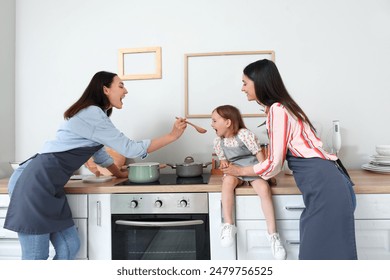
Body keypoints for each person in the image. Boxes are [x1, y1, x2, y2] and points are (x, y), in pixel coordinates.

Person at [4, 71, 187, 260]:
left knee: (70, 247)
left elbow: (100, 155)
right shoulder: (92, 113)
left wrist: (118, 174)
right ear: (105, 89)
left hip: (48, 184)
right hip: (35, 183)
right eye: (121, 86)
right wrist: (171, 136)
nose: (126, 91)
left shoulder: (96, 115)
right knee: (35, 257)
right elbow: (130, 149)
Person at [221, 59, 357, 260]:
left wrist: (240, 171)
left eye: (245, 83)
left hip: (324, 187)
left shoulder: (278, 109)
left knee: (317, 258)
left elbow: (274, 163)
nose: (242, 88)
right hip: (331, 182)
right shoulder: (284, 107)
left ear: (259, 83)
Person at [211, 105, 287, 260]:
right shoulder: (218, 142)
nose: (211, 124)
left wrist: (267, 175)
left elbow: (260, 157)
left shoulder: (245, 135)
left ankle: (273, 235)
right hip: (235, 170)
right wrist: (224, 166)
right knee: (227, 184)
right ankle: (228, 225)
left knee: (264, 189)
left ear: (228, 122)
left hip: (253, 168)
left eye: (214, 120)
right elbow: (224, 161)